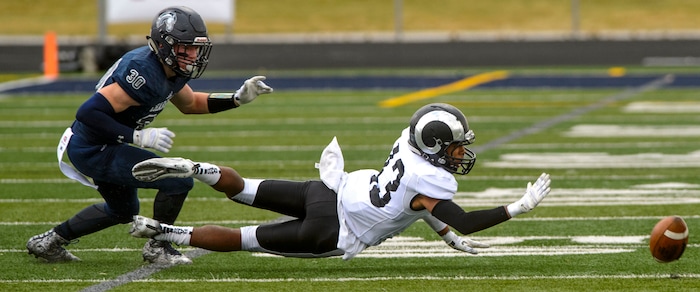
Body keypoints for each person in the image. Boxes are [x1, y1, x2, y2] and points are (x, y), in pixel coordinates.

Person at [127, 103, 551, 260]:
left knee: (245, 189)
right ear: (437, 145)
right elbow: (466, 221)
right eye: (456, 147)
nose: (461, 153)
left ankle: (197, 168)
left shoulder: (409, 144)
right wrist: (519, 207)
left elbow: (419, 204)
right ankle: (166, 232)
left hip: (330, 189)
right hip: (333, 230)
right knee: (245, 239)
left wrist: (443, 236)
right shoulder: (431, 182)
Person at [26, 6, 273, 264]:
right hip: (94, 147)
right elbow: (87, 112)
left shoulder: (169, 68)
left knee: (123, 210)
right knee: (178, 180)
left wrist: (236, 99)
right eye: (185, 48)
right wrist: (136, 137)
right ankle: (158, 246)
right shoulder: (143, 71)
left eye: (195, 48)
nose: (192, 55)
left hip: (102, 144)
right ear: (164, 46)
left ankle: (49, 241)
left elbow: (191, 104)